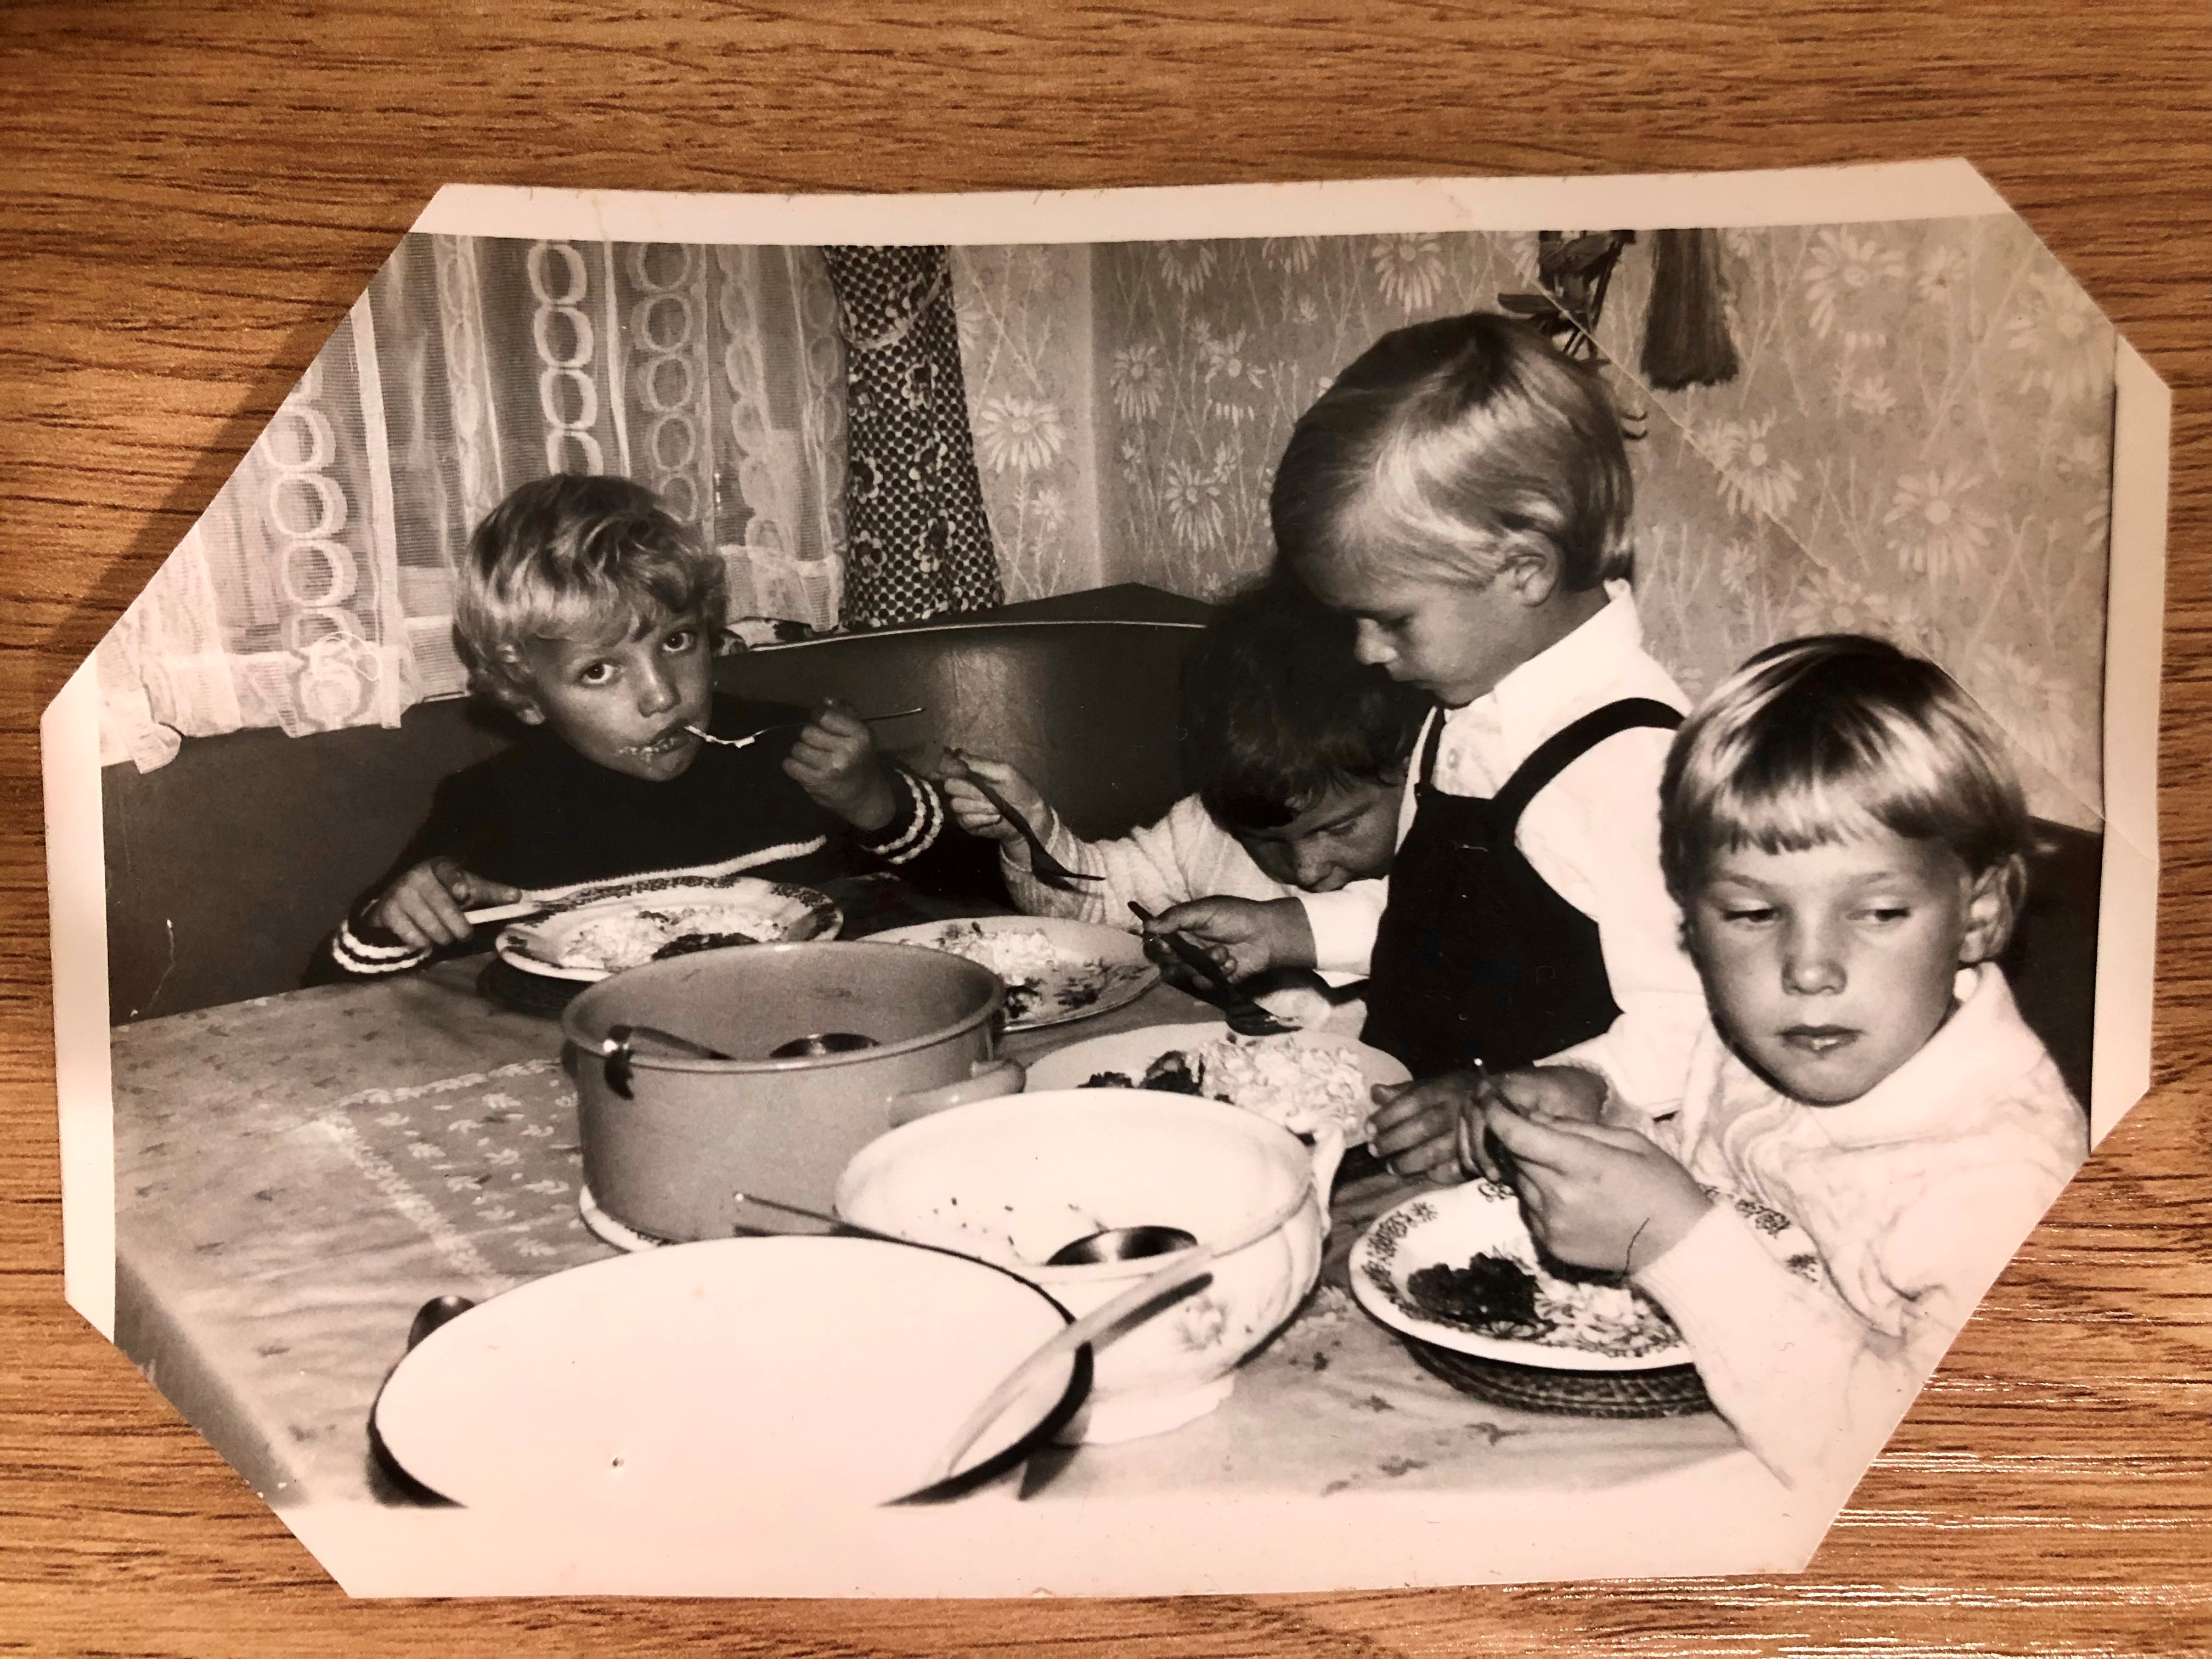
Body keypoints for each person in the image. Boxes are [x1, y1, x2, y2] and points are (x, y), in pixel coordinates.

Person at [1459, 636, 2088, 1496]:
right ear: (1689, 923)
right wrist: (1598, 1110)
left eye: (1878, 912)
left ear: (1977, 917)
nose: (1808, 969)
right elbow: (1723, 1180)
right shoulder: (1759, 1043)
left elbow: (1948, 1481)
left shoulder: (2004, 1186)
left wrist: (1666, 1240)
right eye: (1754, 914)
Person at [1153, 311, 1706, 1137]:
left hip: (1545, 1165)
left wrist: (1507, 1104)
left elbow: (1688, 1031)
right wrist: (1288, 931)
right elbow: (1439, 927)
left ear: (1523, 570)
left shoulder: (1632, 768)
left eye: (1392, 620)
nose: (1366, 651)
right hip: (1410, 1118)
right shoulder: (1465, 707)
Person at [323, 473, 958, 978]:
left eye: (677, 641)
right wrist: (393, 915)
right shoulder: (492, 807)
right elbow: (333, 989)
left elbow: (978, 889)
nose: (661, 696)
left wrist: (876, 801)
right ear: (526, 696)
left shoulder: (791, 754)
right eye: (600, 672)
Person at [940, 577, 1427, 946]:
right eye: (1263, 840)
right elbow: (1097, 904)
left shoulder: (1445, 843)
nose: (1306, 869)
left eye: (1340, 830)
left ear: (1408, 766)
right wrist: (1031, 833)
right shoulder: (1207, 831)